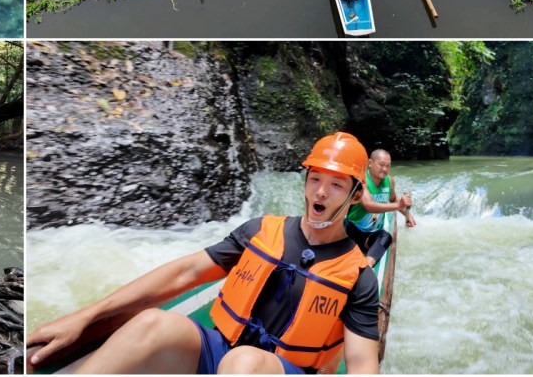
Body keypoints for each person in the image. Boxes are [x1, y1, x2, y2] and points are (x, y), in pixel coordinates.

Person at [26, 132, 381, 375]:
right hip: (220, 352)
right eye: (315, 179)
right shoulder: (260, 230)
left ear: (353, 196)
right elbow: (184, 274)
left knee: (243, 363)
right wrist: (85, 317)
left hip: (282, 370)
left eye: (336, 185)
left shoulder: (357, 276)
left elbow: (362, 365)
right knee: (152, 322)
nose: (321, 192)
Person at [345, 148, 414, 267]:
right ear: (370, 164)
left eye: (388, 166)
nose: (385, 169)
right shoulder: (361, 181)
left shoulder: (390, 181)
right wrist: (398, 205)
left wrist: (408, 215)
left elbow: (393, 200)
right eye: (381, 165)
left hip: (370, 236)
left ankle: (366, 266)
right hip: (352, 230)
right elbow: (368, 206)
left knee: (386, 237)